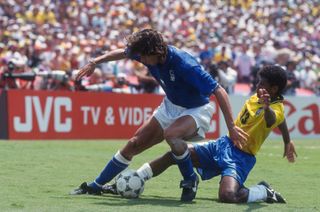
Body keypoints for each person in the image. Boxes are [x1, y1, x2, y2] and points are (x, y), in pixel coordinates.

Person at [71, 29, 247, 202]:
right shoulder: (147, 54)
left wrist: (231, 127)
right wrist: (95, 61)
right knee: (133, 144)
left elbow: (219, 90)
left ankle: (190, 179)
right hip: (170, 106)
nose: (141, 60)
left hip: (197, 109)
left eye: (143, 57)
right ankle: (96, 185)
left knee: (172, 135)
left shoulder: (184, 64)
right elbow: (123, 53)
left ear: (155, 51)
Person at [104, 65, 298, 204]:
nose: (257, 86)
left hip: (241, 157)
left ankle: (263, 191)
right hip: (223, 145)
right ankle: (136, 178)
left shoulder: (274, 107)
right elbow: (282, 123)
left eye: (262, 84)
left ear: (274, 89)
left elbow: (274, 120)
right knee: (176, 154)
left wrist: (266, 108)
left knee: (228, 197)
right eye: (258, 82)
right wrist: (287, 142)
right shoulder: (259, 96)